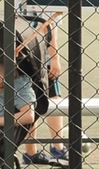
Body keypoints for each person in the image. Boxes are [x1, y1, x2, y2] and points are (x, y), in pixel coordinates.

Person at [21, 11, 67, 165]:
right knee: (54, 99)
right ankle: (58, 148)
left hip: (23, 53)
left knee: (28, 100)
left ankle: (30, 152)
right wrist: (54, 58)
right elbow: (47, 24)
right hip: (42, 57)